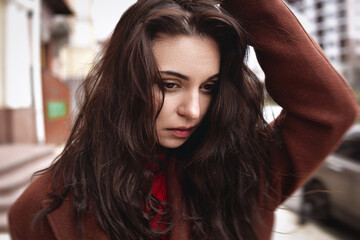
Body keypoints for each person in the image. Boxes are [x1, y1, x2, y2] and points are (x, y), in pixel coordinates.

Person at [8, 0, 358, 239]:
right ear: (124, 83)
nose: (193, 110)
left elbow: (329, 109)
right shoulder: (45, 208)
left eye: (209, 87)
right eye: (170, 84)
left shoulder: (241, 170)